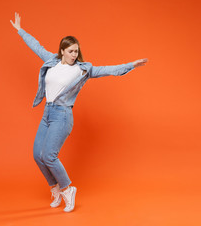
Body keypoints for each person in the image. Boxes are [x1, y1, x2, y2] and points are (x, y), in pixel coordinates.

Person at [10, 12, 147, 213]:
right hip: (47, 113)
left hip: (62, 115)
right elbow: (36, 46)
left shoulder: (83, 70)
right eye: (71, 51)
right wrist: (21, 31)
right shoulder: (52, 60)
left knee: (49, 155)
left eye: (77, 51)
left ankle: (68, 188)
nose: (75, 54)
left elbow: (107, 69)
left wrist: (131, 65)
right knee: (37, 155)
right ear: (63, 51)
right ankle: (55, 188)